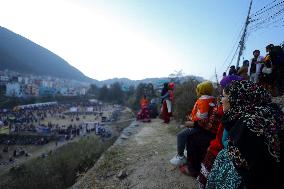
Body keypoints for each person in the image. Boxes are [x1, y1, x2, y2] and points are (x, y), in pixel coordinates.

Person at [206, 80, 283, 189]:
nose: (221, 100)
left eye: (224, 96)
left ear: (236, 99)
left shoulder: (247, 124)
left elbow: (241, 161)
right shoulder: (267, 110)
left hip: (259, 182)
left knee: (222, 158)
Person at [197, 75, 242, 189]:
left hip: (218, 146)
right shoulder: (230, 111)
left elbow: (223, 139)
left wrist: (196, 122)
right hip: (216, 139)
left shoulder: (231, 115)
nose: (221, 97)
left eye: (223, 94)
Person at [170, 81, 216, 176]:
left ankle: (180, 156)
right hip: (206, 127)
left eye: (198, 89)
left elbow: (202, 117)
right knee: (186, 135)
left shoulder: (203, 100)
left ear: (201, 90)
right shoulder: (212, 100)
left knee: (181, 135)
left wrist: (192, 121)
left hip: (200, 127)